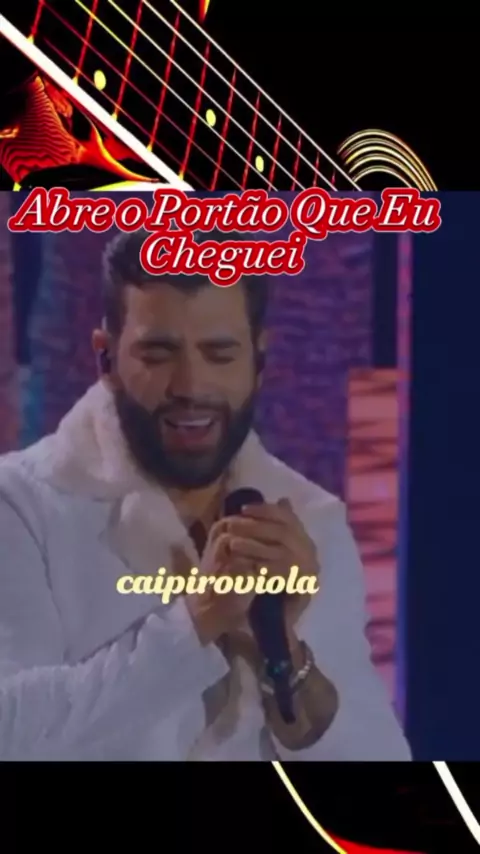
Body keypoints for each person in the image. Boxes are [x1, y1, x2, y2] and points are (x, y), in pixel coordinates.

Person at [0, 228, 411, 761]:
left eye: (220, 354)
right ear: (106, 359)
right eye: (158, 354)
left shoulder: (311, 521)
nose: (191, 386)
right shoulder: (22, 506)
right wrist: (196, 622)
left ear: (259, 361)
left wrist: (286, 658)